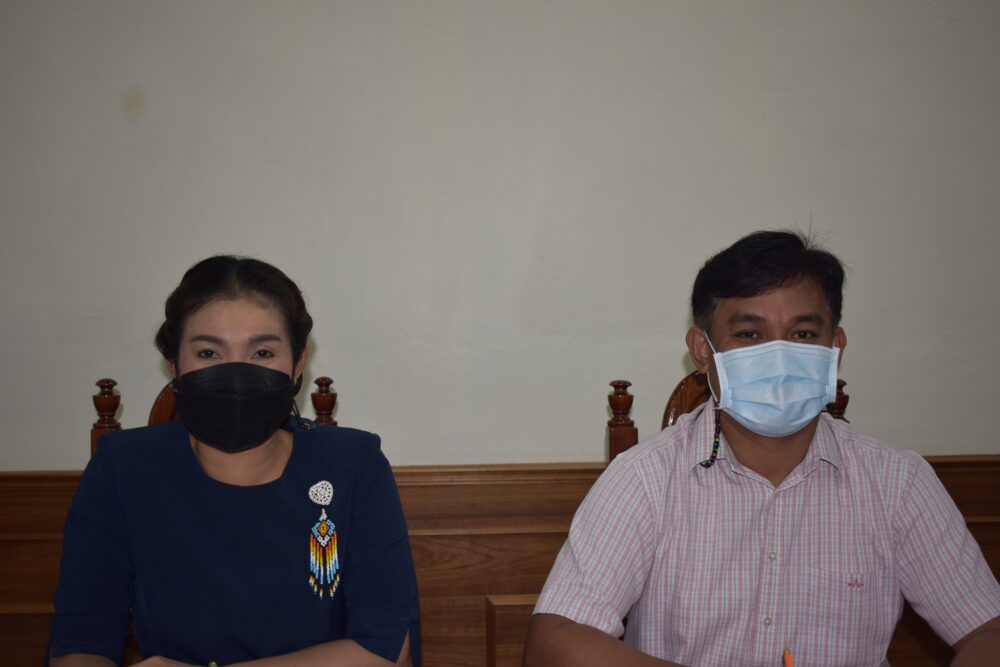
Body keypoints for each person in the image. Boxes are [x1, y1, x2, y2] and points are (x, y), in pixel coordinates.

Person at [524, 231, 1000, 666]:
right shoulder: (644, 479)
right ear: (703, 350)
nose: (779, 356)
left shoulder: (898, 483)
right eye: (749, 334)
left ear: (835, 349)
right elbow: (554, 643)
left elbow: (987, 630)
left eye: (803, 334)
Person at [49, 256, 420, 667]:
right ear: (173, 365)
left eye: (262, 352)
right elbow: (80, 640)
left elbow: (387, 649)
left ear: (298, 365)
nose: (236, 375)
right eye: (209, 352)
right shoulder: (122, 467)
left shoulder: (353, 463)